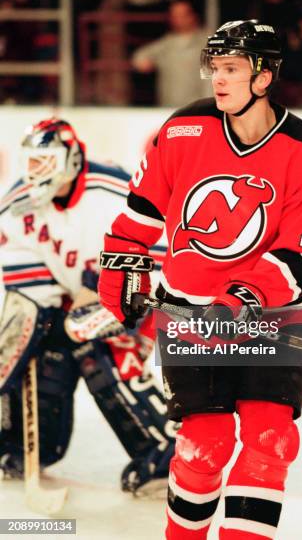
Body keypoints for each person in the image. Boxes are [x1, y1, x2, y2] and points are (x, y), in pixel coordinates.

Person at [99, 20, 302, 538]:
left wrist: (246, 294)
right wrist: (123, 256)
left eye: (232, 69)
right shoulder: (184, 129)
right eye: (216, 69)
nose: (219, 81)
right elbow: (141, 210)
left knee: (269, 438)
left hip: (272, 319)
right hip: (190, 316)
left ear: (265, 76)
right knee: (205, 445)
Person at [0, 118, 176, 495]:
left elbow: (161, 258)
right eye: (32, 162)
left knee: (96, 345)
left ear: (73, 160)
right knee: (46, 348)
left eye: (45, 162)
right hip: (74, 304)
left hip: (137, 300)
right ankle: (29, 446)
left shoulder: (115, 191)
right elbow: (28, 282)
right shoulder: (17, 205)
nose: (36, 172)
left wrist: (96, 288)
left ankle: (163, 451)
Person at [131, 0, 211, 106]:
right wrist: (143, 62)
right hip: (169, 108)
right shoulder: (166, 44)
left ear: (194, 16)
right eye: (174, 16)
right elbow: (140, 58)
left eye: (182, 15)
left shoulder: (208, 41)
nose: (178, 19)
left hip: (200, 107)